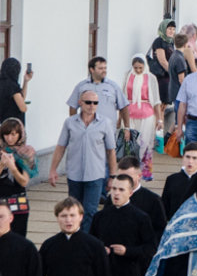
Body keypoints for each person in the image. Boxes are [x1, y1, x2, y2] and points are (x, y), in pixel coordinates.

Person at [48, 91, 119, 232]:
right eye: (88, 102)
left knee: (90, 211)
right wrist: (53, 169)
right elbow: (61, 147)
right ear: (80, 102)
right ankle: (74, 236)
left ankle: (85, 239)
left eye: (95, 103)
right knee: (74, 209)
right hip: (75, 174)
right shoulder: (70, 123)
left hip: (95, 174)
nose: (92, 106)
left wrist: (112, 176)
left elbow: (111, 151)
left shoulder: (105, 123)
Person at [65, 56, 130, 136]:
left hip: (108, 131)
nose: (104, 71)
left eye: (105, 68)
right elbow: (73, 106)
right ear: (92, 69)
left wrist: (127, 128)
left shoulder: (113, 86)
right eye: (100, 68)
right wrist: (75, 125)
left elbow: (124, 107)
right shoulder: (81, 86)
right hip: (87, 131)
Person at [124, 55, 162, 181]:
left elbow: (156, 100)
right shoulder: (128, 75)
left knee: (145, 142)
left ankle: (145, 171)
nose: (138, 70)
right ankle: (130, 171)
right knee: (130, 143)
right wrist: (120, 119)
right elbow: (123, 98)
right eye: (136, 68)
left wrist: (159, 119)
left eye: (140, 68)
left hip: (146, 114)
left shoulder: (151, 78)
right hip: (130, 114)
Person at [0, 118, 36, 236]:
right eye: (6, 134)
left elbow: (24, 182)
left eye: (13, 134)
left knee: (19, 237)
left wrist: (12, 167)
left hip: (18, 200)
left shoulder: (26, 152)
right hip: (1, 199)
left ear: (20, 134)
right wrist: (2, 164)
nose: (9, 138)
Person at [161, 141, 197, 219]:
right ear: (183, 157)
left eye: (195, 158)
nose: (190, 161)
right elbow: (164, 207)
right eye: (187, 157)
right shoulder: (172, 179)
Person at [0, 57, 31, 124]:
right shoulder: (12, 86)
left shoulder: (2, 83)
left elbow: (21, 98)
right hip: (13, 125)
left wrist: (25, 81)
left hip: (3, 123)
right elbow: (22, 107)